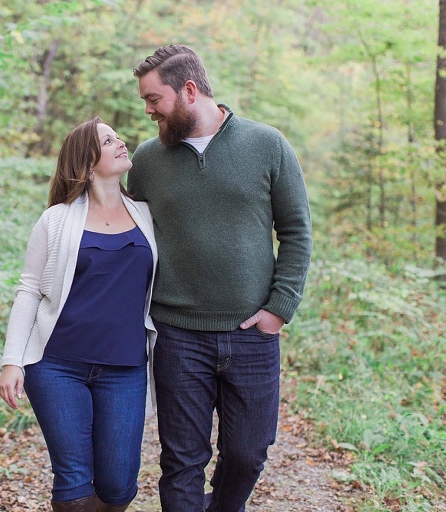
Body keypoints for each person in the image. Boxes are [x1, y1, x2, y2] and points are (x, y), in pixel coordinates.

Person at [127, 45, 313, 512]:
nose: (148, 111)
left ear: (189, 90)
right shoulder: (147, 161)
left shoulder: (267, 144)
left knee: (248, 455)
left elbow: (295, 230)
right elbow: (126, 236)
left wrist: (279, 308)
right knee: (182, 461)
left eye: (154, 100)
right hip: (176, 335)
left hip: (250, 332)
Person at [0, 117, 158, 512]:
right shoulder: (56, 219)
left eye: (118, 136)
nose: (122, 142)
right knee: (72, 482)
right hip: (57, 366)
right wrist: (12, 361)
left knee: (119, 486)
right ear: (87, 164)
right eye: (108, 140)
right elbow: (30, 289)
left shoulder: (147, 215)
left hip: (125, 368)